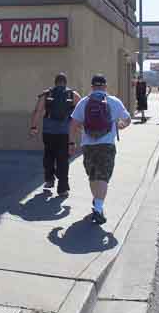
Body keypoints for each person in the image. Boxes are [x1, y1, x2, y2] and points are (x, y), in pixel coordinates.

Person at [69, 74, 132, 225]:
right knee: (103, 177)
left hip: (88, 146)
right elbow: (127, 119)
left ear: (92, 86)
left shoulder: (84, 102)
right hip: (107, 145)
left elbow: (73, 124)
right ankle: (98, 207)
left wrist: (71, 143)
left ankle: (97, 203)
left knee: (93, 175)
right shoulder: (114, 101)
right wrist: (121, 125)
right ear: (105, 86)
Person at [29, 73, 80, 198]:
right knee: (63, 160)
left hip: (48, 131)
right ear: (65, 82)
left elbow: (38, 111)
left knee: (49, 155)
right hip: (64, 132)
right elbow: (81, 111)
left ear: (55, 82)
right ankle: (62, 189)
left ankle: (49, 179)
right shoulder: (73, 94)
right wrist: (80, 128)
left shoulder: (47, 94)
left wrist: (34, 127)